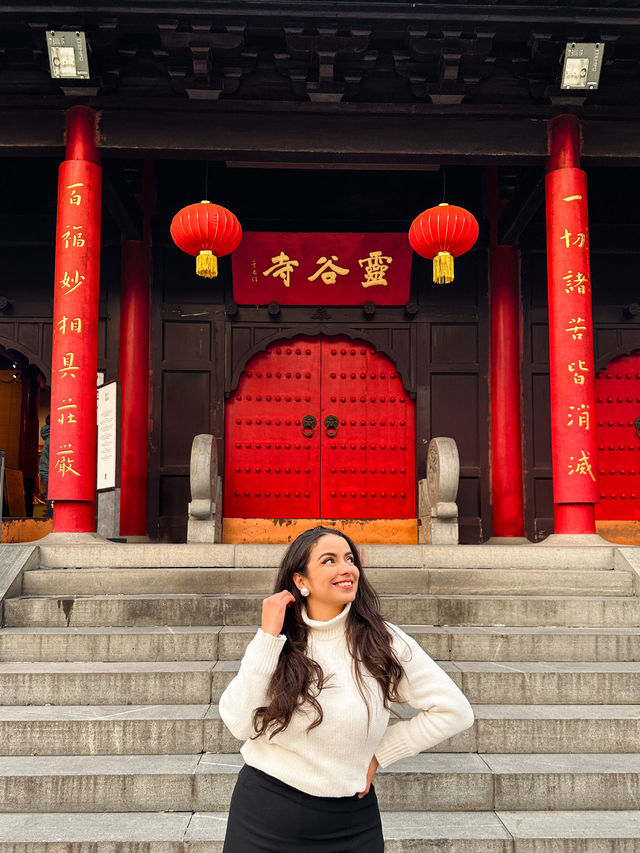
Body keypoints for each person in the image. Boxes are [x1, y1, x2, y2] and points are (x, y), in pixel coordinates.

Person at [219, 525, 474, 852]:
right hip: (266, 814)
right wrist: (267, 638)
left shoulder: (383, 641)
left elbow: (454, 711)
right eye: (329, 560)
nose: (346, 568)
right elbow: (239, 724)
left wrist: (381, 754)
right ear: (301, 581)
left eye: (349, 559)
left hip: (351, 822)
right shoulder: (278, 641)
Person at [38, 415, 52, 519]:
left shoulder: (49, 436)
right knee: (52, 500)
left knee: (50, 499)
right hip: (50, 473)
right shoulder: (53, 437)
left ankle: (49, 521)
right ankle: (50, 522)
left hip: (47, 471)